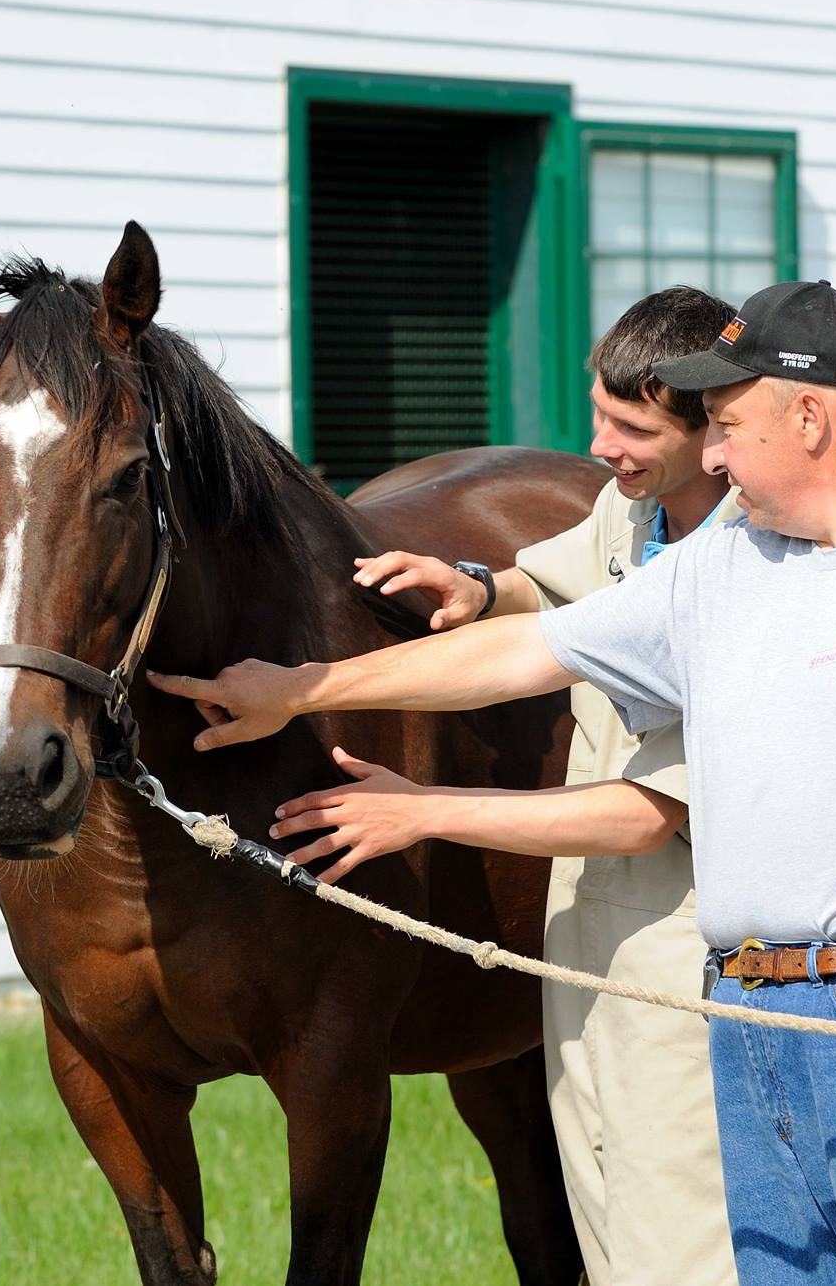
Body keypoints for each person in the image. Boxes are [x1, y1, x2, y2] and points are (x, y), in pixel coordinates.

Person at [152, 280, 836, 1286]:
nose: (710, 457)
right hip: (752, 1014)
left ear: (807, 417)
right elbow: (527, 653)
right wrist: (306, 687)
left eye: (725, 426)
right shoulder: (729, 563)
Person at [279, 285, 741, 1286]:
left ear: (713, 429)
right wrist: (483, 586)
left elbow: (643, 815)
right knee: (601, 1213)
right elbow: (557, 594)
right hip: (579, 922)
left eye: (629, 427)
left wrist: (418, 809)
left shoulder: (744, 574)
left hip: (687, 927)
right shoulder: (633, 511)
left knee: (680, 1235)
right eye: (597, 416)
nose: (600, 450)